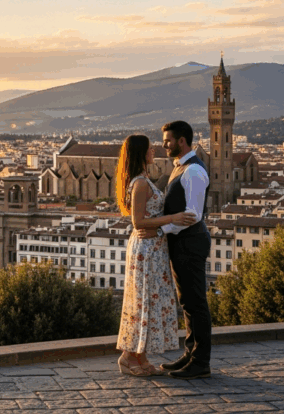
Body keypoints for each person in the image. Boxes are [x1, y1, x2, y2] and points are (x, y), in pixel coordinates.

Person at [114, 134, 195, 376]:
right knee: (142, 304)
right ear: (140, 153)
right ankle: (128, 358)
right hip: (145, 252)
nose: (154, 151)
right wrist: (173, 219)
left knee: (148, 302)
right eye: (150, 149)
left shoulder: (144, 180)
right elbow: (138, 221)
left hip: (153, 250)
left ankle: (141, 357)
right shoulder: (140, 184)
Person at [157, 120, 213, 379]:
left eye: (168, 140)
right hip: (183, 242)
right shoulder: (181, 168)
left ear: (182, 141)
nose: (164, 145)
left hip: (190, 242)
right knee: (187, 302)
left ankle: (201, 361)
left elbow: (192, 214)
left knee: (196, 302)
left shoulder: (192, 172)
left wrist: (161, 230)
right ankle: (190, 354)